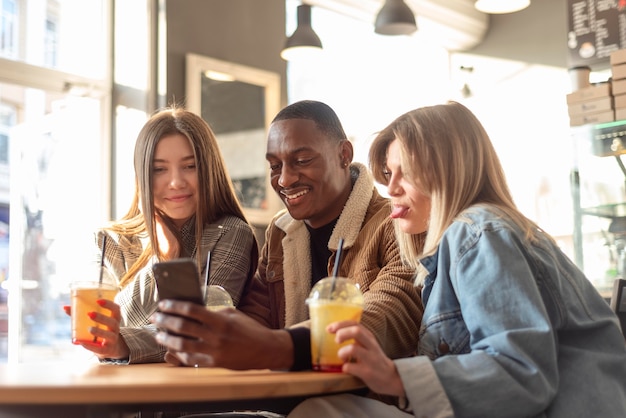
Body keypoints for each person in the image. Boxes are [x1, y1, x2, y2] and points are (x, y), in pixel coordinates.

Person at [286, 101, 626, 418]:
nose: (392, 189)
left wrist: (394, 376)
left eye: (406, 172)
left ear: (449, 171)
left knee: (319, 412)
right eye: (389, 175)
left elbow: (522, 373)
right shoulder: (466, 242)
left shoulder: (478, 232)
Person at [151, 100, 424, 373]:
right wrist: (211, 342)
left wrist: (277, 346)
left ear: (344, 154)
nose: (284, 180)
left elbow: (390, 313)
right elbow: (256, 317)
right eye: (274, 166)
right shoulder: (280, 234)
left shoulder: (398, 223)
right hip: (287, 403)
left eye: (302, 161)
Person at [65, 106, 259, 364]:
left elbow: (201, 334)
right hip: (118, 398)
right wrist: (162, 257)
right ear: (142, 174)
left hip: (196, 398)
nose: (176, 181)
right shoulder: (108, 241)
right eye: (159, 169)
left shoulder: (230, 233)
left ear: (209, 169)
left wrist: (123, 343)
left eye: (190, 166)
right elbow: (105, 332)